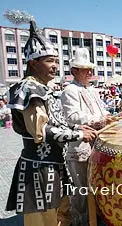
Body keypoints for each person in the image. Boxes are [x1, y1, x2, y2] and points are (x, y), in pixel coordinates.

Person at [5, 21, 97, 226]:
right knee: (43, 219)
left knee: (59, 215)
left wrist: (77, 128)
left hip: (53, 165)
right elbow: (40, 131)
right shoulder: (29, 88)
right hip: (38, 168)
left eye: (56, 61)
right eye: (49, 61)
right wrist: (78, 135)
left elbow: (56, 121)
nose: (55, 65)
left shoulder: (44, 89)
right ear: (33, 63)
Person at [60, 48, 113, 225]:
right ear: (74, 70)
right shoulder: (70, 90)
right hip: (80, 146)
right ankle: (81, 221)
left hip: (96, 144)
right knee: (82, 187)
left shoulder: (93, 90)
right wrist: (99, 119)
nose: (89, 72)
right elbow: (72, 116)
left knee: (95, 184)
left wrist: (108, 116)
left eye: (90, 69)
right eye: (84, 69)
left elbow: (102, 110)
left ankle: (94, 217)